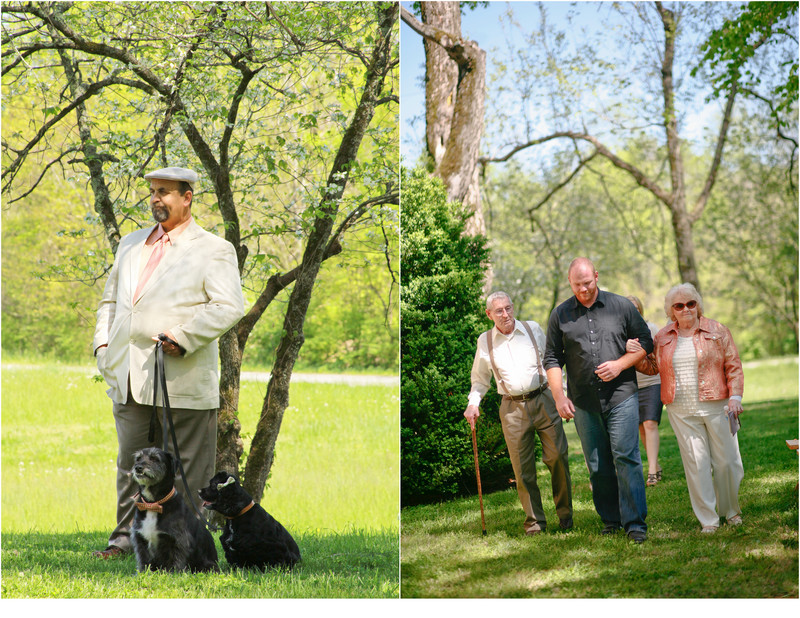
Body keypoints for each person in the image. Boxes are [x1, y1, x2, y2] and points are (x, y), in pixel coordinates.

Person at [92, 166, 245, 558]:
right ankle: (126, 541)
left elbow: (229, 306)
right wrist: (102, 348)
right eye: (153, 192)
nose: (156, 199)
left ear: (187, 196)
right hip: (127, 375)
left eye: (165, 192)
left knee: (189, 471)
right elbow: (110, 302)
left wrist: (184, 336)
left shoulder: (214, 249)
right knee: (131, 465)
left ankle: (189, 546)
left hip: (183, 377)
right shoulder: (129, 244)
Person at [543, 258, 652, 543]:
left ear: (597, 277)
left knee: (626, 458)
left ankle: (635, 524)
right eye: (577, 285)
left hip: (621, 396)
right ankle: (611, 520)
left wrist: (621, 364)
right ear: (570, 283)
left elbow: (646, 341)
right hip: (583, 402)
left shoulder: (621, 306)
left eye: (588, 283)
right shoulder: (560, 315)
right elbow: (552, 358)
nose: (584, 289)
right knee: (597, 464)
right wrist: (559, 397)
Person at [631, 283, 744, 533]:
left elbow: (733, 366)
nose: (686, 309)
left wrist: (735, 396)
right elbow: (652, 368)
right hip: (681, 409)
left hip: (718, 405)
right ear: (671, 311)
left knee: (728, 463)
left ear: (698, 305)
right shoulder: (662, 337)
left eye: (691, 303)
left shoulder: (717, 330)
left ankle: (731, 510)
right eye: (679, 306)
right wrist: (636, 355)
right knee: (696, 464)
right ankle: (708, 520)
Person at [464, 291, 573, 535]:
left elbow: (552, 363)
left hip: (544, 399)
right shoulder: (486, 342)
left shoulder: (532, 328)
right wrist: (474, 403)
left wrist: (561, 395)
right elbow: (480, 379)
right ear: (489, 314)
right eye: (499, 311)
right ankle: (535, 522)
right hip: (512, 408)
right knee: (522, 469)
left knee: (558, 457)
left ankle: (565, 517)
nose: (506, 314)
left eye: (508, 308)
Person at [626, 295, 663, 487]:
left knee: (650, 424)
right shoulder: (621, 332)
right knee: (641, 428)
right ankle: (655, 464)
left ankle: (651, 472)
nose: (633, 311)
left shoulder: (651, 328)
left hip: (652, 382)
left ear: (640, 309)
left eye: (635, 308)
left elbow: (659, 356)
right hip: (632, 386)